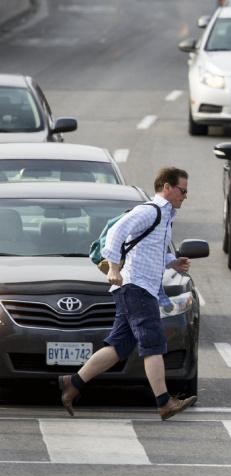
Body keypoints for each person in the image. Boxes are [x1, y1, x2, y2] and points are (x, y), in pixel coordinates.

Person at [57, 167, 198, 420]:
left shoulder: (165, 217)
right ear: (166, 187)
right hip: (135, 286)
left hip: (139, 286)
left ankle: (73, 384)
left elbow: (148, 251)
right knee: (153, 342)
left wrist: (172, 262)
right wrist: (113, 268)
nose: (185, 196)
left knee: (120, 346)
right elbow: (116, 233)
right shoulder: (149, 211)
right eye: (182, 190)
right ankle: (164, 402)